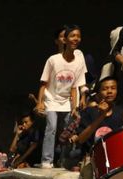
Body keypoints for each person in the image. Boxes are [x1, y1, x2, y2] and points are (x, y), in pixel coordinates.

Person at [36, 25, 87, 168]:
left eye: (78, 36)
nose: (75, 39)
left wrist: (75, 106)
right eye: (72, 36)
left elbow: (74, 86)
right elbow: (43, 83)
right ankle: (47, 160)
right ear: (64, 40)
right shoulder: (53, 60)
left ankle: (64, 160)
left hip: (66, 100)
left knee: (66, 130)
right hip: (51, 98)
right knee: (51, 127)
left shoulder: (79, 60)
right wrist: (40, 103)